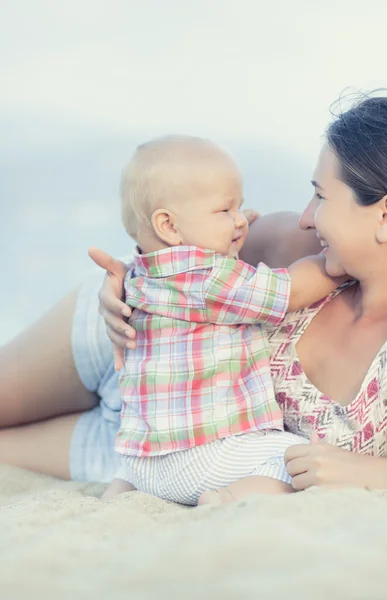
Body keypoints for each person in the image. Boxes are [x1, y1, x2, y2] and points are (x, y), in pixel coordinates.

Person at [0, 95, 387, 496]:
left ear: (386, 216)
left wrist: (381, 476)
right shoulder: (291, 242)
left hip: (156, 454)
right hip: (120, 346)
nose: (306, 216)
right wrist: (119, 285)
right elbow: (168, 241)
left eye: (321, 196)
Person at [102, 135, 345, 505]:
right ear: (169, 226)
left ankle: (118, 492)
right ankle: (227, 498)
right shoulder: (209, 277)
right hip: (200, 454)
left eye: (240, 209)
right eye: (225, 211)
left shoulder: (139, 274)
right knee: (295, 459)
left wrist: (227, 225)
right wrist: (340, 262)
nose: (240, 222)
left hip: (139, 459)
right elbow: (288, 291)